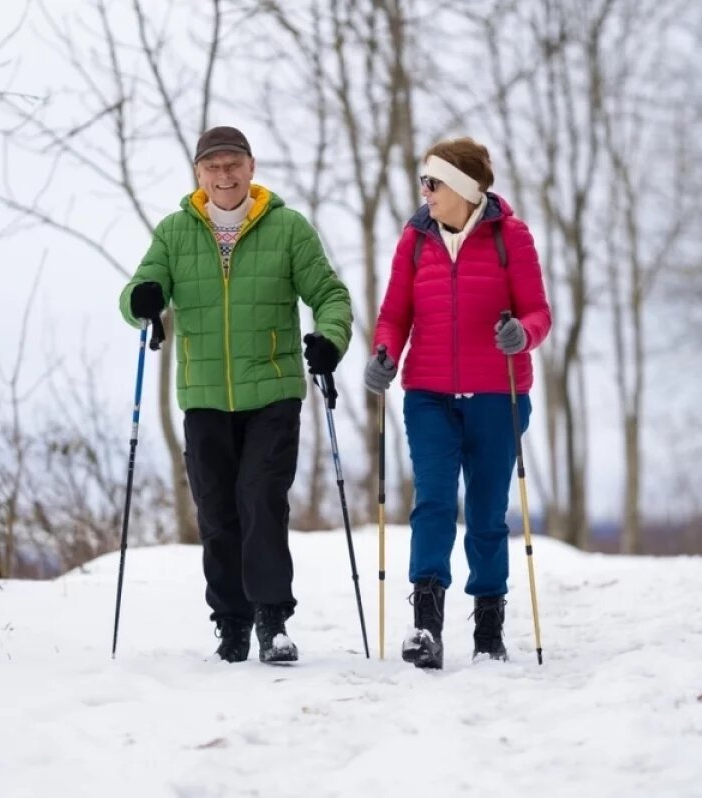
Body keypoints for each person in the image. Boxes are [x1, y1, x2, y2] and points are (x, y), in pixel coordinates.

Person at [119, 126, 352, 664]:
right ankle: (231, 622)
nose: (224, 176)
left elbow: (330, 295)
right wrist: (143, 299)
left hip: (273, 389)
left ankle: (272, 620)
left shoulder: (288, 228)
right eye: (213, 167)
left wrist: (329, 339)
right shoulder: (176, 232)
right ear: (199, 174)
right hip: (203, 396)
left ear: (251, 167)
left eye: (233, 165)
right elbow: (136, 294)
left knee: (261, 497)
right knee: (218, 512)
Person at [365, 137, 552, 669]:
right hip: (428, 394)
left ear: (466, 189)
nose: (424, 192)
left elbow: (538, 312)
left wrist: (523, 334)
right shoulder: (415, 238)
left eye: (434, 183)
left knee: (488, 514)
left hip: (498, 395)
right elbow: (394, 313)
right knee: (434, 503)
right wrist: (384, 353)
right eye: (424, 181)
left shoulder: (509, 238)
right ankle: (426, 625)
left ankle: (489, 628)